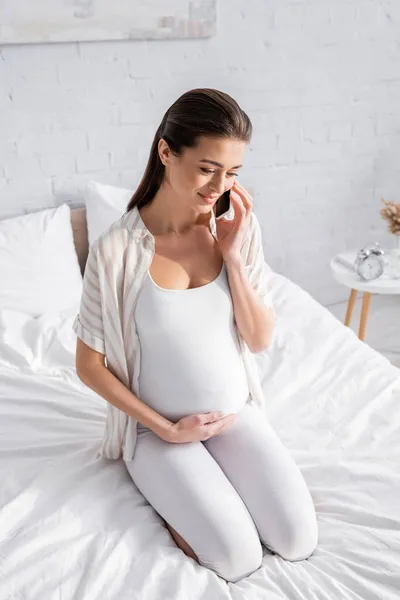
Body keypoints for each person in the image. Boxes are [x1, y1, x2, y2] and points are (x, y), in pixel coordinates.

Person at [73, 88, 318, 583]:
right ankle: (173, 501)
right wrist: (165, 429)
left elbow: (260, 337)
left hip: (234, 415)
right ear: (167, 152)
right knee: (236, 559)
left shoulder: (236, 227)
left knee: (297, 541)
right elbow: (89, 364)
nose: (219, 185)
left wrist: (231, 255)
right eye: (208, 168)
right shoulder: (116, 249)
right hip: (159, 433)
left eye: (232, 173)